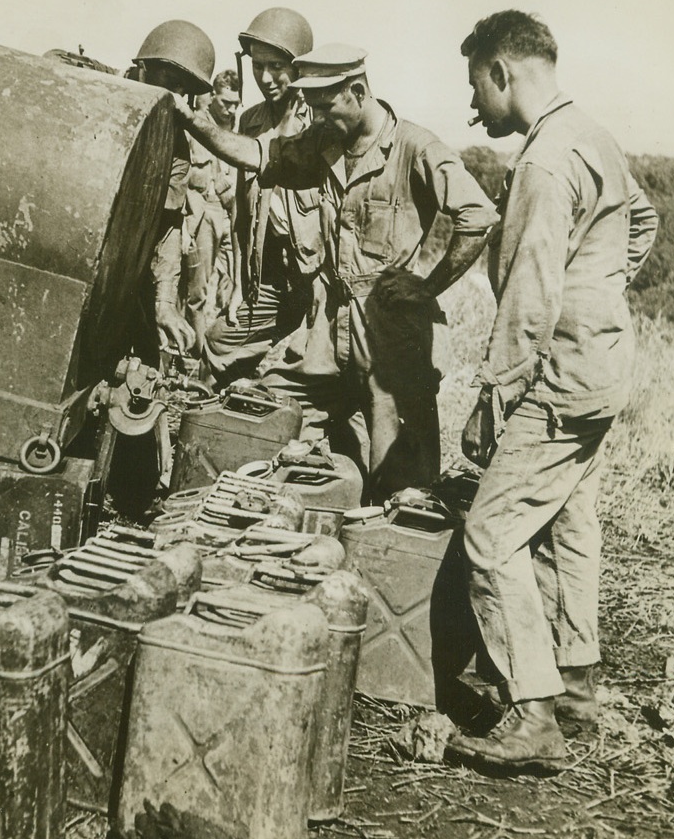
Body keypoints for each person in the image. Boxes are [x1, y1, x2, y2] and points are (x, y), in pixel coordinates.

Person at [444, 10, 658, 773]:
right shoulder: (592, 135)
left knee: (491, 533)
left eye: (477, 84)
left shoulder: (543, 161)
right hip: (603, 364)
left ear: (503, 72)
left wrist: (493, 392)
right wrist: (599, 292)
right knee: (569, 516)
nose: (474, 106)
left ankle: (533, 714)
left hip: (562, 376)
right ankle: (576, 680)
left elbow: (530, 293)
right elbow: (642, 220)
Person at [174, 43, 498, 503]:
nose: (318, 118)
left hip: (391, 339)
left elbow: (478, 216)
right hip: (328, 330)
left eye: (327, 107)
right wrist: (197, 124)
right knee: (272, 414)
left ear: (358, 92)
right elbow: (257, 155)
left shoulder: (415, 147)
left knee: (398, 484)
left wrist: (427, 286)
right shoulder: (325, 143)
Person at [202, 7, 322, 388]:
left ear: (298, 66)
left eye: (276, 67)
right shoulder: (250, 121)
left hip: (318, 280)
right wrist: (240, 284)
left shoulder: (323, 119)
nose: (265, 78)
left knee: (319, 372)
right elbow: (241, 211)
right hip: (272, 279)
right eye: (257, 66)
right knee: (218, 344)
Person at [131, 20, 216, 358]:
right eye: (169, 78)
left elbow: (168, 223)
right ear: (144, 68)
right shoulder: (101, 92)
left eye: (183, 88)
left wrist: (165, 301)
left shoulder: (175, 145)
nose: (175, 94)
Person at [186, 70, 239, 353]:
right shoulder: (196, 126)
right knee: (198, 290)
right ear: (212, 97)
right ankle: (194, 353)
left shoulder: (240, 129)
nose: (230, 109)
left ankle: (221, 353)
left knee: (232, 286)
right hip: (204, 212)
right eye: (225, 103)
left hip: (233, 214)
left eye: (235, 104)